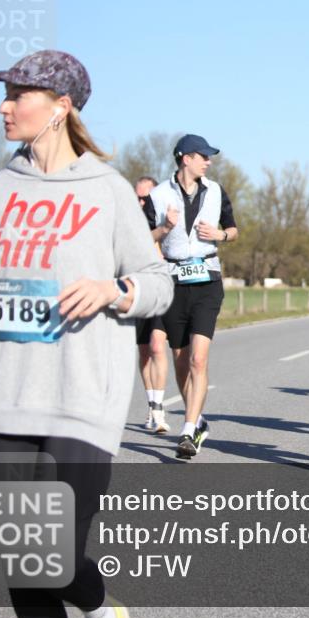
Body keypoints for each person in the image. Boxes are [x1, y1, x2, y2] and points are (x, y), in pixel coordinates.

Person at [0, 49, 172, 618]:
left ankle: (97, 604)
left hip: (82, 396)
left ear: (60, 107)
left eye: (17, 95)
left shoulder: (107, 190)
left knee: (54, 554)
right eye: (4, 96)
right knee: (19, 555)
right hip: (4, 394)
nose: (3, 108)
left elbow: (157, 282)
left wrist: (112, 290)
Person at [145, 134, 238, 459]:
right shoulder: (158, 195)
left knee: (199, 358)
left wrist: (220, 234)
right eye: (203, 156)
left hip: (207, 280)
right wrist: (164, 228)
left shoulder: (216, 191)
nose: (208, 162)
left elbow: (234, 229)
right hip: (173, 282)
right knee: (181, 359)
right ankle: (197, 421)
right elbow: (142, 238)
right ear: (186, 158)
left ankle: (187, 430)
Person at [134, 175, 171, 433]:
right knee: (145, 350)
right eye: (137, 198)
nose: (141, 202)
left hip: (160, 287)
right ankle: (151, 404)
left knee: (158, 345)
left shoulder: (167, 222)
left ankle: (159, 408)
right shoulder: (128, 223)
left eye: (145, 198)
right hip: (138, 289)